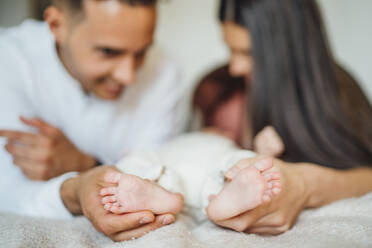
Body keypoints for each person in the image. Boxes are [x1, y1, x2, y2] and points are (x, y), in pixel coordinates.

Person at [0, 0, 189, 241]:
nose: (128, 75)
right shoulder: (7, 61)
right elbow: (6, 192)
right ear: (57, 25)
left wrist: (86, 164)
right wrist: (77, 189)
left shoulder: (165, 71)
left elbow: (155, 178)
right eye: (108, 52)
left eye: (142, 52)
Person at [193, 0, 372, 234]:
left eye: (249, 53)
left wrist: (303, 184)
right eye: (230, 49)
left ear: (290, 50)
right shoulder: (221, 87)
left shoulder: (338, 91)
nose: (235, 67)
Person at [98, 132, 281, 222]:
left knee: (240, 160)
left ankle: (227, 196)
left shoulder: (228, 144)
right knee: (137, 158)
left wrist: (263, 150)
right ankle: (150, 189)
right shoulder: (177, 138)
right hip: (165, 165)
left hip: (210, 169)